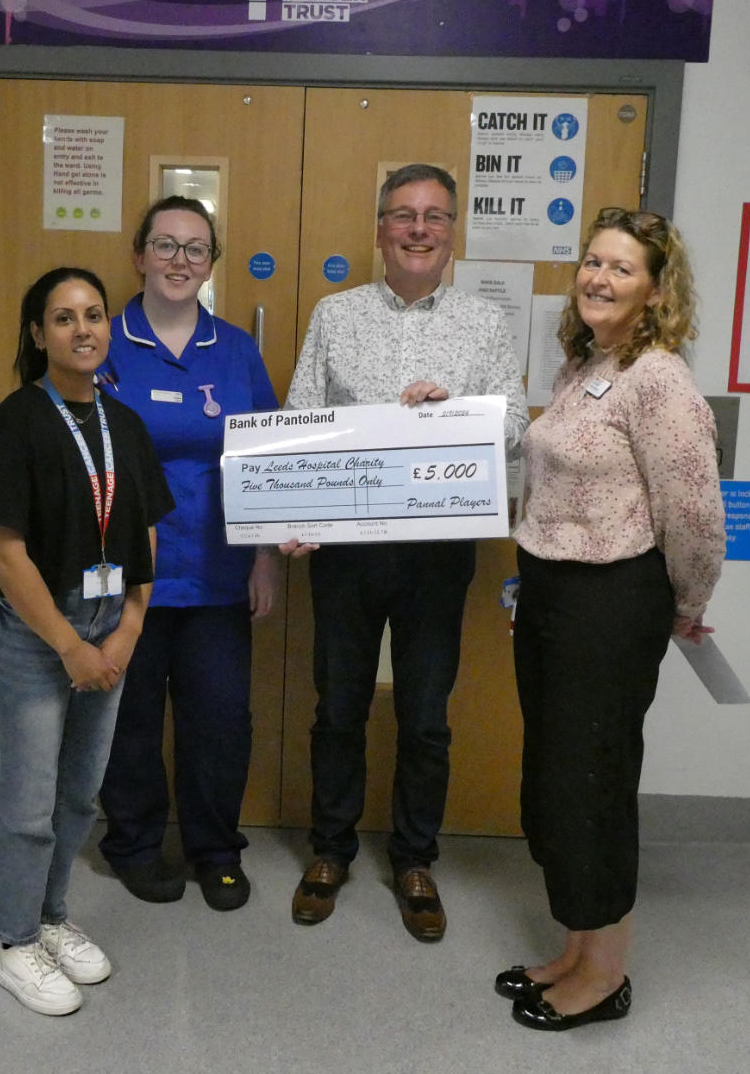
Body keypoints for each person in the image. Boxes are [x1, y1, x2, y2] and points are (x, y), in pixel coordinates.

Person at [283, 163, 527, 941]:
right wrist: (291, 511)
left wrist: (450, 416)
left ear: (452, 232)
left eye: (435, 216)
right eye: (404, 215)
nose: (419, 229)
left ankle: (416, 857)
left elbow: (515, 425)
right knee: (339, 707)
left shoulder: (484, 326)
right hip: (348, 554)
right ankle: (330, 850)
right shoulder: (335, 314)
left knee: (425, 716)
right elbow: (299, 420)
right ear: (381, 227)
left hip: (436, 555)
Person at [499, 207, 724, 1031]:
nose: (598, 277)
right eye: (593, 262)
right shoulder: (586, 366)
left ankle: (606, 974)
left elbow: (695, 516)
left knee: (591, 782)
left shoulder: (659, 380)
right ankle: (575, 947)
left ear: (656, 290)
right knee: (555, 780)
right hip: (554, 592)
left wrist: (689, 604)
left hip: (613, 600)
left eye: (621, 268)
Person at [0, 267, 174, 1016]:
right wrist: (69, 646)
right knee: (27, 803)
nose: (82, 329)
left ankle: (53, 919)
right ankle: (14, 941)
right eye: (63, 318)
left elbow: (145, 533)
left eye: (93, 315)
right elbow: (3, 552)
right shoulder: (12, 425)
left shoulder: (125, 425)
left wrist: (127, 628)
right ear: (37, 334)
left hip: (106, 629)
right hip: (34, 637)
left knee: (80, 795)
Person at [96, 196, 280, 911]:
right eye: (166, 245)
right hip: (123, 581)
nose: (179, 260)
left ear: (211, 265)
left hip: (217, 574)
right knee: (131, 722)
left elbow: (263, 457)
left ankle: (214, 850)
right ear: (139, 256)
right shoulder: (101, 343)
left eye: (195, 249)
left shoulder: (234, 349)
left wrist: (263, 556)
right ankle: (136, 845)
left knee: (221, 721)